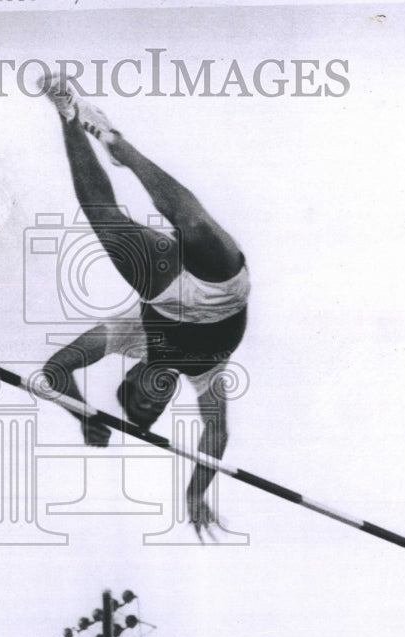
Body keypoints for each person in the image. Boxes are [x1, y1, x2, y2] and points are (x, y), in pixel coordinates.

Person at [38, 74, 250, 539]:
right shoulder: (204, 376)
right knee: (196, 229)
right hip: (222, 293)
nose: (155, 398)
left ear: (131, 376)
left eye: (142, 398)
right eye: (158, 406)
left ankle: (82, 123)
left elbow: (56, 370)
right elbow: (216, 435)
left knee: (108, 216)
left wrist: (85, 414)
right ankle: (108, 139)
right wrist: (196, 493)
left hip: (165, 294)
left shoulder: (129, 336)